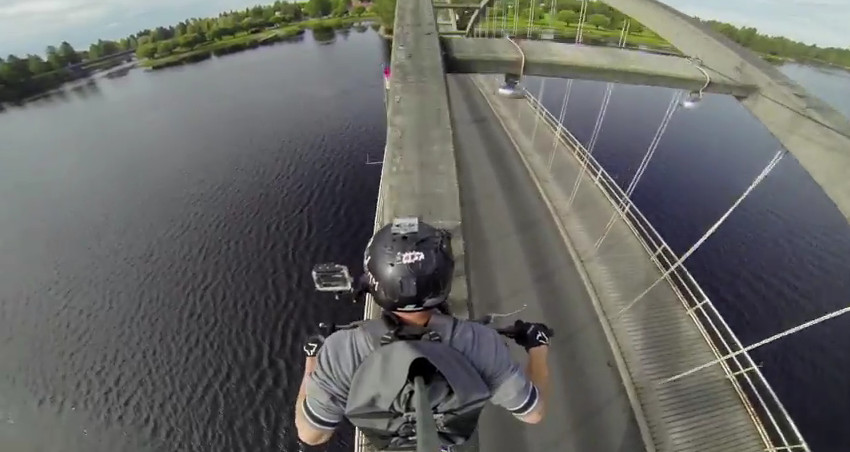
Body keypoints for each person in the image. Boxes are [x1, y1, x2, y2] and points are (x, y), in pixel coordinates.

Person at [294, 219, 553, 451]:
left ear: (375, 281)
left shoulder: (344, 349)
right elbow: (533, 412)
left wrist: (312, 359)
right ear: (444, 279)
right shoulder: (481, 343)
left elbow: (311, 435)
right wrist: (537, 347)